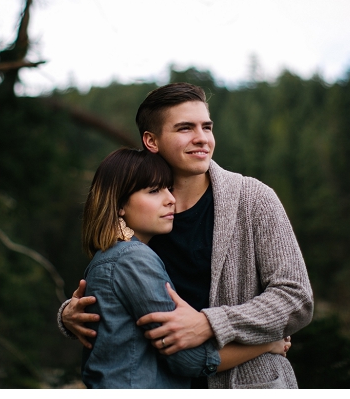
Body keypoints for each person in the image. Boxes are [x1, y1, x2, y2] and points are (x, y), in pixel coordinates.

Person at [59, 83, 313, 389]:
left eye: (206, 126)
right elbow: (118, 283)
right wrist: (71, 315)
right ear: (151, 140)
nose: (202, 138)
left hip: (250, 383)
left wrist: (210, 323)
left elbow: (296, 298)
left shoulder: (254, 199)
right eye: (184, 128)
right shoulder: (143, 213)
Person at [78, 148, 290, 388]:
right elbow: (187, 358)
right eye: (154, 191)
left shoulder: (108, 257)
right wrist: (268, 344)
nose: (170, 199)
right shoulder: (134, 259)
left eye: (169, 188)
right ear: (119, 205)